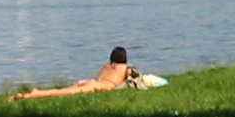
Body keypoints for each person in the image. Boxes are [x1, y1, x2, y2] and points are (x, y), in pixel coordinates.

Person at [10, 46, 139, 100]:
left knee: (64, 90)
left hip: (91, 81)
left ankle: (36, 92)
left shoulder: (107, 66)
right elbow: (132, 79)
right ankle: (35, 95)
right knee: (66, 93)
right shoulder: (125, 68)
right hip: (99, 86)